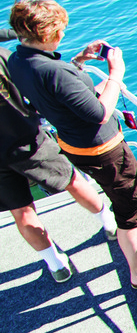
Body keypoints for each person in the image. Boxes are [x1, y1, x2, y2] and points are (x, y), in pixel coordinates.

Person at [6, 0, 137, 289]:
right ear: (48, 34)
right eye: (60, 29)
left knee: (131, 195)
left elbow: (55, 95)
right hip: (102, 149)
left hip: (74, 144)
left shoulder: (18, 59)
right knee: (128, 208)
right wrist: (116, 73)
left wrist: (79, 61)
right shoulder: (54, 71)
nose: (63, 33)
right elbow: (100, 113)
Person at [1, 28, 116, 282]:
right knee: (72, 180)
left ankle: (56, 265)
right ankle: (108, 223)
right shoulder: (5, 58)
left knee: (22, 212)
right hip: (26, 140)